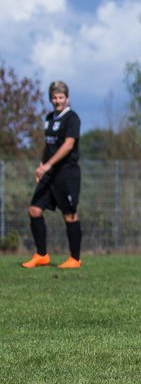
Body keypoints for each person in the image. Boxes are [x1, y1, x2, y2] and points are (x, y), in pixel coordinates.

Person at [21, 81, 83, 269]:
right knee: (34, 209)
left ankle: (75, 259)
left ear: (67, 98)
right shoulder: (49, 118)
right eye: (54, 97)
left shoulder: (72, 118)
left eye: (61, 97)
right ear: (50, 99)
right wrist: (42, 164)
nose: (58, 101)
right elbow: (48, 144)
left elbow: (68, 145)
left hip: (66, 174)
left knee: (70, 215)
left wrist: (47, 165)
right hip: (49, 172)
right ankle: (41, 255)